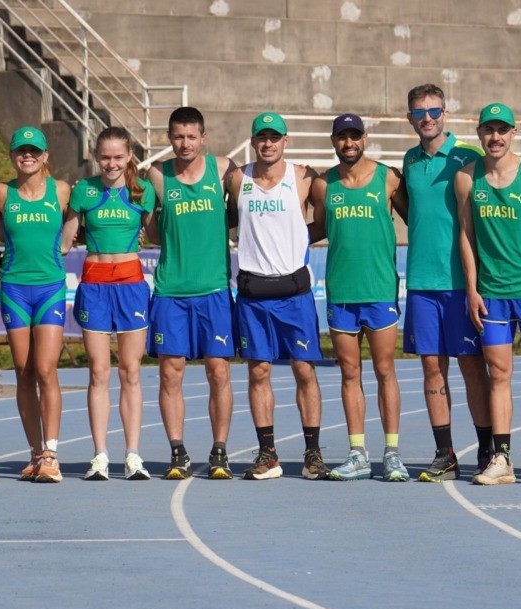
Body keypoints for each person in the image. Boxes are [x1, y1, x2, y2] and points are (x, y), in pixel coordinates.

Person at [456, 103, 521, 486]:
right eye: (489, 130)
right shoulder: (467, 179)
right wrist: (472, 288)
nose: (495, 137)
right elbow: (466, 236)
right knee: (498, 374)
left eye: (502, 130)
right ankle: (501, 459)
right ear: (479, 133)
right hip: (492, 295)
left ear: (513, 133)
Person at [396, 84, 495, 483]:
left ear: (446, 113)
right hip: (422, 281)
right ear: (410, 118)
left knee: (472, 367)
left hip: (462, 282)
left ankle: (487, 450)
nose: (428, 118)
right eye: (420, 112)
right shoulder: (409, 160)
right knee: (432, 369)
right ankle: (445, 454)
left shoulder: (469, 157)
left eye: (434, 111)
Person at [309, 113, 408, 482]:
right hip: (341, 292)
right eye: (342, 137)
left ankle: (392, 453)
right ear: (334, 141)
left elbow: (419, 219)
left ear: (364, 138)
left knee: (385, 370)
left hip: (379, 289)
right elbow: (318, 228)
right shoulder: (323, 185)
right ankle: (357, 454)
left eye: (354, 136)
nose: (348, 143)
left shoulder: (389, 179)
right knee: (350, 372)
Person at [226, 113, 325, 480]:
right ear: (254, 142)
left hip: (293, 292)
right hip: (254, 292)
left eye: (274, 137)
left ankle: (313, 454)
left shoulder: (303, 177)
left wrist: (297, 237)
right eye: (262, 137)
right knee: (258, 371)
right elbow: (229, 221)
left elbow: (324, 222)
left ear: (286, 140)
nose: (268, 143)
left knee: (304, 370)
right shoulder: (238, 179)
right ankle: (267, 454)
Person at [145, 107, 239, 480]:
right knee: (171, 373)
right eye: (178, 137)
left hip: (214, 289)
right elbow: (153, 234)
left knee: (218, 371)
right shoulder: (157, 175)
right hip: (171, 290)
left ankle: (220, 451)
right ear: (169, 138)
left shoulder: (223, 170)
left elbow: (241, 213)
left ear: (203, 137)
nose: (185, 144)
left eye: (191, 137)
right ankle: (178, 451)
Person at [67, 127, 155, 481]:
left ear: (129, 155)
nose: (112, 163)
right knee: (99, 371)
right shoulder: (83, 191)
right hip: (95, 284)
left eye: (119, 157)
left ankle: (133, 455)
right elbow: (63, 241)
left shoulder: (142, 190)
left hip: (131, 284)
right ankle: (100, 455)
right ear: (95, 156)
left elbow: (159, 234)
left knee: (130, 371)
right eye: (105, 157)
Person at [0, 127, 77, 483]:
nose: (28, 156)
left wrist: (67, 242)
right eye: (21, 151)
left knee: (45, 368)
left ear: (45, 156)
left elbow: (77, 217)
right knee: (23, 371)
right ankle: (35, 452)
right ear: (12, 155)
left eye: (34, 151)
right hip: (14, 287)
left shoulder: (61, 190)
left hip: (50, 287)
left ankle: (52, 453)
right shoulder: (2, 193)